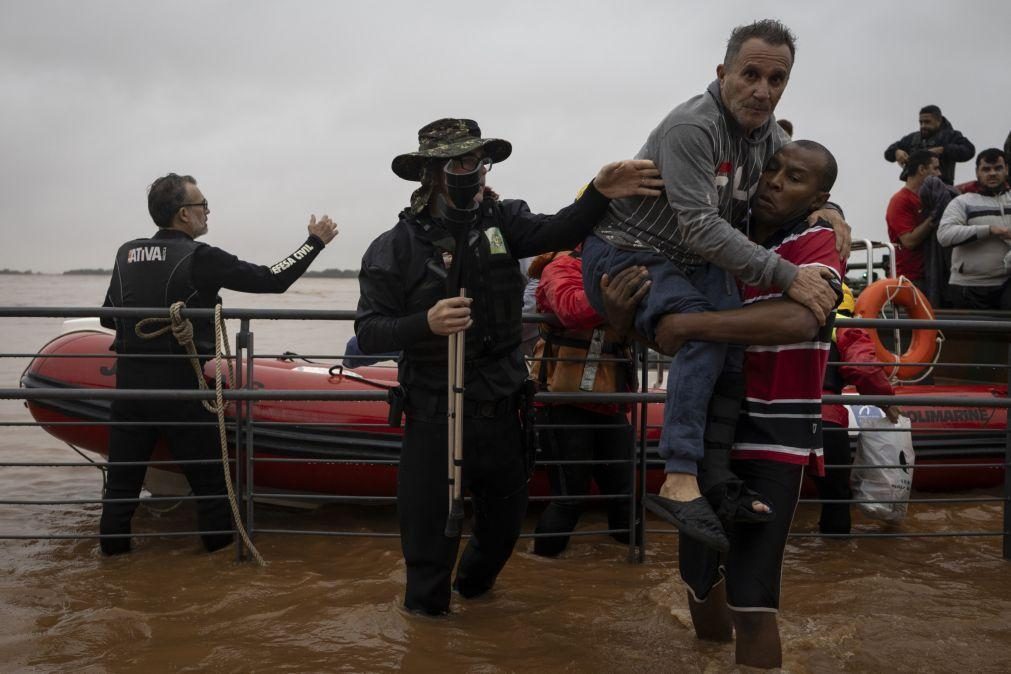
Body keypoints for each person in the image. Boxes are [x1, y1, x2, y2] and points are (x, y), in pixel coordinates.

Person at [354, 118, 661, 616]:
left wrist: (600, 192)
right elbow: (370, 331)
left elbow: (559, 228)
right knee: (429, 539)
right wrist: (425, 323)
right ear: (431, 172)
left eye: (475, 160)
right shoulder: (395, 246)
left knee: (503, 526)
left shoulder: (503, 220)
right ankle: (428, 626)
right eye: (456, 162)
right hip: (435, 409)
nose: (468, 172)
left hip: (500, 402)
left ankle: (473, 596)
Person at [580, 19, 847, 551]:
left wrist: (831, 207)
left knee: (725, 344)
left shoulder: (769, 136)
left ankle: (716, 477)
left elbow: (797, 174)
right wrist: (788, 275)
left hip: (686, 260)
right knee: (703, 334)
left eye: (777, 80)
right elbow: (700, 225)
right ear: (723, 73)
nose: (762, 90)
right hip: (628, 249)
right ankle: (678, 477)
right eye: (750, 74)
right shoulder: (692, 128)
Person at [602, 140, 844, 669]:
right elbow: (666, 338)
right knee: (697, 581)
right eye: (772, 168)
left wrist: (692, 325)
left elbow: (801, 319)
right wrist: (624, 321)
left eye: (795, 177)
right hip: (708, 435)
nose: (776, 180)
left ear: (818, 196)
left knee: (753, 600)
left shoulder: (817, 239)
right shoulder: (714, 241)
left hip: (773, 443)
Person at [98, 173, 338, 555]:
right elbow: (271, 279)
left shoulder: (126, 252)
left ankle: (112, 568)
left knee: (120, 491)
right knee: (211, 486)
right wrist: (315, 243)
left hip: (129, 391)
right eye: (202, 204)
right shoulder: (201, 256)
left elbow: (108, 318)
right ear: (184, 215)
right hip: (184, 392)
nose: (207, 211)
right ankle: (219, 571)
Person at [526, 248, 635, 557]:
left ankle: (634, 571)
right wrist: (622, 301)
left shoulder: (623, 266)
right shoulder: (561, 266)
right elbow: (571, 308)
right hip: (565, 402)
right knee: (569, 497)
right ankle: (542, 567)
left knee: (625, 496)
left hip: (611, 400)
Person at [817, 283, 900, 536]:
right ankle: (836, 562)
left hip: (774, 419)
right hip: (826, 418)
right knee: (836, 498)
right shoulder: (843, 325)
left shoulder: (785, 320)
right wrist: (886, 401)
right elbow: (863, 367)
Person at [936, 148, 1011, 310]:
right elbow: (945, 235)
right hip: (968, 289)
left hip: (1006, 285)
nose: (992, 173)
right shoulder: (962, 202)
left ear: (1007, 170)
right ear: (977, 172)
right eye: (986, 169)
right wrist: (990, 230)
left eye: (998, 168)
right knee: (973, 334)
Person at [885, 149, 942, 293]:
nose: (939, 174)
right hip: (911, 280)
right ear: (922, 169)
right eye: (935, 168)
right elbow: (909, 241)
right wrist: (933, 218)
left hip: (932, 276)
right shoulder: (900, 201)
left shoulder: (929, 199)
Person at [884, 105, 975, 186]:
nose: (923, 125)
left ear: (939, 121)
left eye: (927, 122)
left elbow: (969, 150)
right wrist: (896, 152)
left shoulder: (951, 136)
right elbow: (888, 154)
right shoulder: (912, 138)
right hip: (914, 189)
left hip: (941, 189)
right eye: (921, 122)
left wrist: (943, 150)